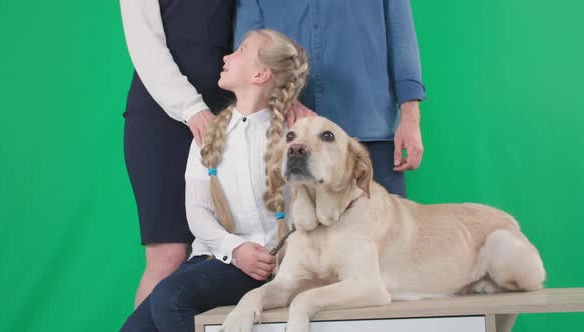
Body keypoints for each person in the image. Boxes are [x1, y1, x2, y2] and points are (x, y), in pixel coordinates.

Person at [120, 29, 309, 331]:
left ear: (261, 74)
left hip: (269, 264)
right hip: (221, 257)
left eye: (242, 50)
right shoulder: (208, 136)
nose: (227, 56)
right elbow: (198, 214)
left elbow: (311, 209)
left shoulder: (296, 136)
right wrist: (234, 249)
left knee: (171, 297)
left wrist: (257, 255)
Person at [235, 0, 427, 198]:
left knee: (387, 226)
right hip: (295, 140)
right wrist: (287, 97)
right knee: (299, 226)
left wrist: (411, 119)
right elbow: (247, 54)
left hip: (370, 135)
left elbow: (402, 41)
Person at [119, 0, 235, 307]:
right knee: (168, 255)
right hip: (162, 120)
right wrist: (191, 108)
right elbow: (145, 45)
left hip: (229, 116)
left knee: (221, 254)